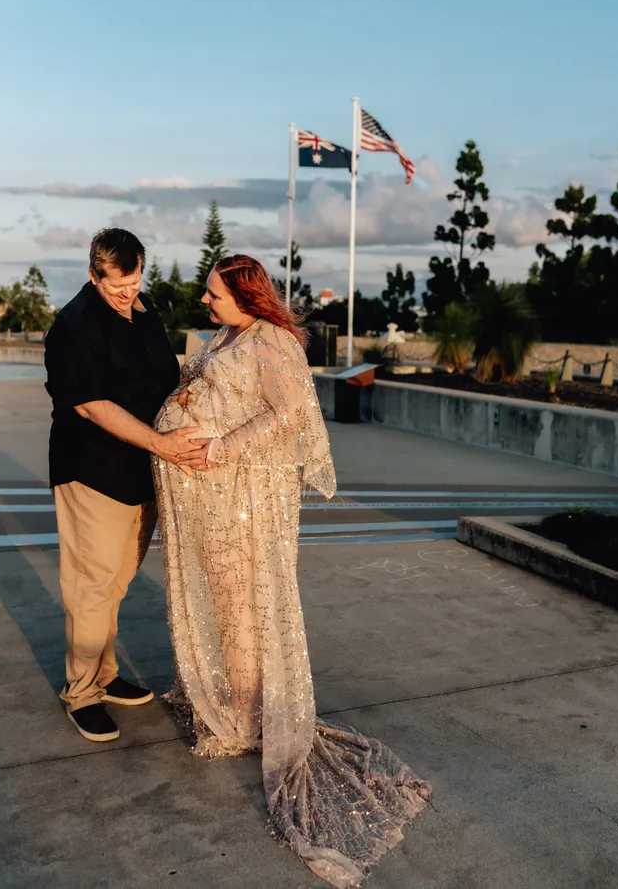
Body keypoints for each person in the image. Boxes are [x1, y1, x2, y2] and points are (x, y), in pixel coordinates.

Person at [153, 255, 431, 888]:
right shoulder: (227, 335)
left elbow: (289, 414)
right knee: (224, 603)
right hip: (209, 495)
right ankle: (232, 700)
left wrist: (220, 447)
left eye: (214, 290)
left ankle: (251, 716)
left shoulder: (274, 340)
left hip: (241, 496)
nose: (204, 297)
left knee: (245, 602)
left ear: (245, 295)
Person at [44, 228, 200, 743]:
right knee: (92, 586)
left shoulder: (143, 309)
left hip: (141, 471)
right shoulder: (75, 326)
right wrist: (163, 444)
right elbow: (91, 404)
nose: (128, 294)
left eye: (135, 282)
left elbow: (160, 376)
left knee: (113, 583)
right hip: (92, 472)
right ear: (93, 274)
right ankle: (82, 692)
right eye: (118, 287)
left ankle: (105, 676)